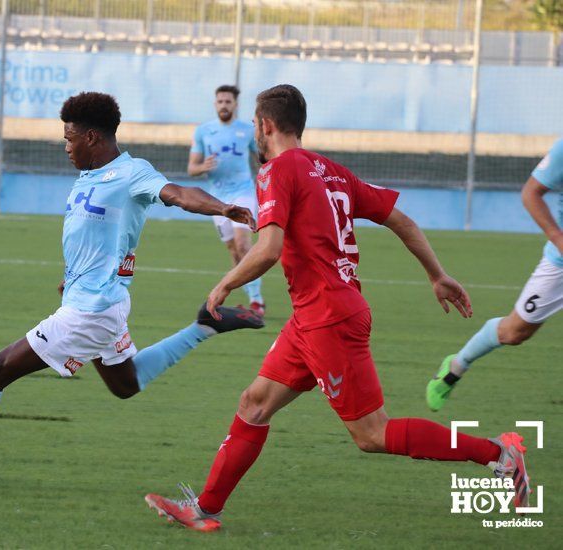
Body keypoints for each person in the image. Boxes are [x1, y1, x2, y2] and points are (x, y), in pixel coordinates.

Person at [144, 84, 530, 532]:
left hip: (328, 316)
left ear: (265, 125)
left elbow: (268, 248)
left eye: (254, 122)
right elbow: (401, 219)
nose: (253, 129)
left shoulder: (276, 172)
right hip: (314, 316)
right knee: (254, 403)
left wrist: (225, 283)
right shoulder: (331, 170)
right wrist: (436, 274)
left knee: (371, 434)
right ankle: (205, 508)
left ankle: (500, 454)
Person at [0, 91, 264, 482]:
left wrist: (222, 207)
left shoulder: (132, 173)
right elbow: (91, 237)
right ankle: (203, 326)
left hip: (91, 311)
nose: (65, 147)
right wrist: (74, 276)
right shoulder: (88, 176)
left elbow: (179, 194)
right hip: (95, 300)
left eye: (69, 138)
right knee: (125, 384)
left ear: (92, 138)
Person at [427, 137, 563, 411]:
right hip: (559, 264)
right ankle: (455, 367)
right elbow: (531, 193)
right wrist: (558, 238)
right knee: (514, 332)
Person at [189, 85, 265, 316]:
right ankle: (243, 293)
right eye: (220, 101)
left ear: (235, 104)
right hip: (217, 200)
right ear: (215, 104)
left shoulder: (246, 130)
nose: (224, 105)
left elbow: (262, 157)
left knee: (243, 245)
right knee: (234, 251)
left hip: (243, 193)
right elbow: (192, 168)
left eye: (228, 101)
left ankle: (256, 301)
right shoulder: (203, 131)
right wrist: (203, 166)